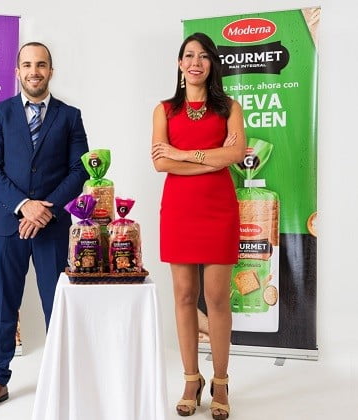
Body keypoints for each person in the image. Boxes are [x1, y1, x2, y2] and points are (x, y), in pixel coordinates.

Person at [0, 42, 89, 416]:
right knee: (6, 304)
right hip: (9, 225)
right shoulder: (0, 113)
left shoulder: (70, 116)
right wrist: (25, 205)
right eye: (27, 65)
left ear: (51, 71)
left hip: (52, 226)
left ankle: (61, 379)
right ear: (17, 71)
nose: (34, 71)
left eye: (41, 65)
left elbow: (80, 170)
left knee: (58, 305)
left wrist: (44, 210)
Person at [151, 32, 246, 419]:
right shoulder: (164, 110)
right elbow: (161, 162)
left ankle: (221, 381)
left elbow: (236, 154)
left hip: (219, 210)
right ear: (179, 63)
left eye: (204, 56)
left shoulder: (229, 108)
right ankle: (192, 379)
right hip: (179, 210)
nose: (196, 62)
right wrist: (210, 158)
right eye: (189, 55)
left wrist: (184, 154)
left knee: (218, 298)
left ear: (212, 65)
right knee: (184, 296)